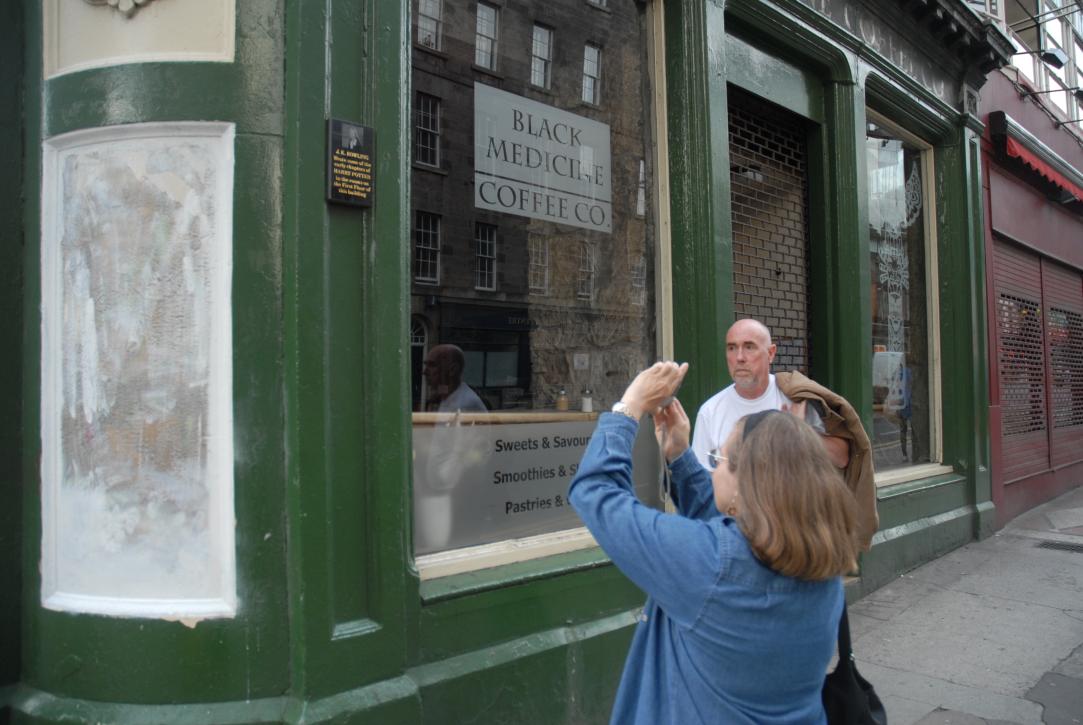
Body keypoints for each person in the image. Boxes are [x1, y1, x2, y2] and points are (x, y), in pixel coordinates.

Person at [569, 362, 860, 724]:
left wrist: (628, 407)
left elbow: (596, 493)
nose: (714, 469)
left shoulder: (711, 565)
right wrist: (679, 454)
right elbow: (733, 530)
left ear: (747, 484)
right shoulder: (824, 562)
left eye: (718, 459)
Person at [691, 318, 849, 470]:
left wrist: (800, 432)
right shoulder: (710, 412)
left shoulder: (796, 398)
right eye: (732, 348)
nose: (739, 357)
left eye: (749, 347)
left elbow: (841, 458)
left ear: (771, 353)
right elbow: (702, 483)